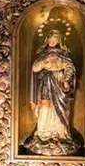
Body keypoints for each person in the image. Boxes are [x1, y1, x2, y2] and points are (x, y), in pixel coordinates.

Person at [23, 18, 80, 156]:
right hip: (46, 84)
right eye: (51, 39)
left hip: (59, 84)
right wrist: (44, 62)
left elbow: (70, 68)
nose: (53, 41)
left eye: (55, 39)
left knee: (59, 108)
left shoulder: (65, 54)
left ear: (60, 40)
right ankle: (43, 133)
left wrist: (66, 79)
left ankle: (60, 134)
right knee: (45, 107)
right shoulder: (42, 54)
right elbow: (35, 69)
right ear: (47, 40)